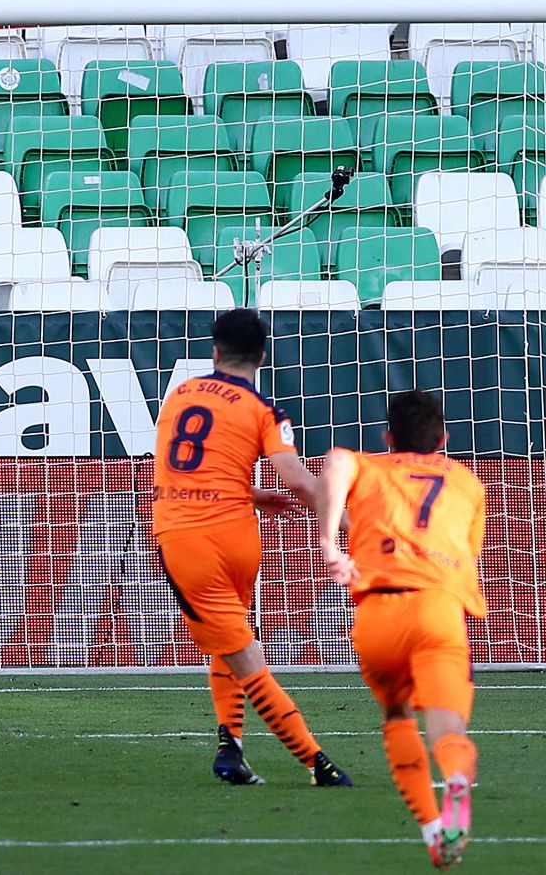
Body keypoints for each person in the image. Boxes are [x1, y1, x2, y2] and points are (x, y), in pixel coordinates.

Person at [152, 308, 352, 788]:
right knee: (232, 643)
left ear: (215, 351)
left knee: (244, 656)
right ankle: (231, 749)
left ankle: (316, 763)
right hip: (240, 538)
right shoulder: (264, 410)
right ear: (261, 357)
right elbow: (299, 481)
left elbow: (176, 469)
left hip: (187, 541)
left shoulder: (178, 395)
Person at [316, 389, 486, 870]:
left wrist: (330, 544)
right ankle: (455, 778)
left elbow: (334, 463)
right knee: (448, 728)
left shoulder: (369, 466)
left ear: (388, 437)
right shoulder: (468, 483)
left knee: (396, 714)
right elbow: (467, 557)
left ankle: (433, 830)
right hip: (437, 611)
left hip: (377, 614)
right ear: (444, 439)